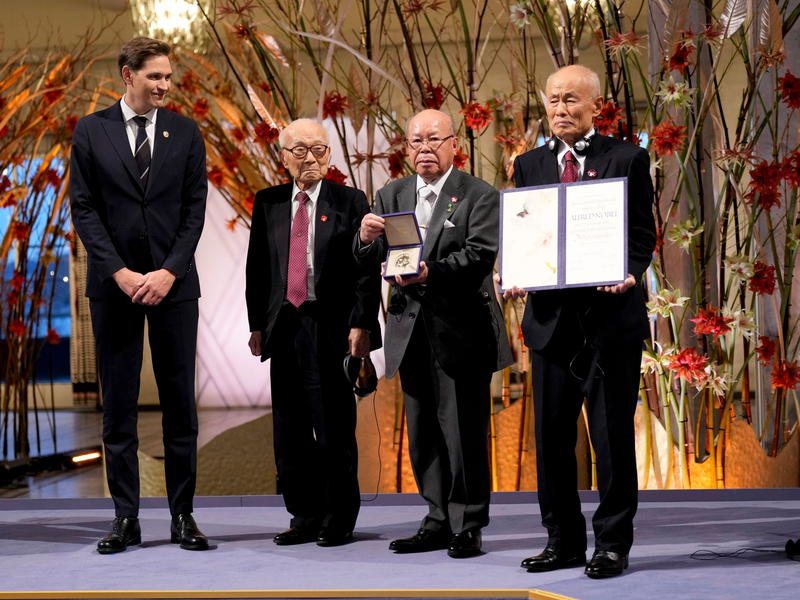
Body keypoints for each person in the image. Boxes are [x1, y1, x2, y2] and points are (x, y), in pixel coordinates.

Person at [498, 64, 656, 578]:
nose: (561, 108)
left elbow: (641, 235)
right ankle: (562, 540)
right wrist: (512, 271)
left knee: (610, 439)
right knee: (551, 440)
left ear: (595, 106)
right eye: (554, 99)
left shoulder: (627, 158)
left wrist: (630, 273)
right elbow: (525, 233)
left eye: (571, 99)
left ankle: (612, 543)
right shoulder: (528, 165)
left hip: (609, 323)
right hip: (549, 324)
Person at [70, 37, 209, 554]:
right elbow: (84, 209)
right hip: (115, 290)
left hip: (176, 287)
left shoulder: (186, 132)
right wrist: (120, 273)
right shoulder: (91, 130)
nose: (164, 85)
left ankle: (182, 515)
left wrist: (170, 271)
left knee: (180, 406)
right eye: (155, 76)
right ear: (127, 75)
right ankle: (125, 517)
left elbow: (195, 208)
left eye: (168, 76)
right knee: (119, 409)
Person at [356, 109, 512, 559]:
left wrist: (429, 273)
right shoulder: (391, 193)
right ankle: (437, 519)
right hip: (409, 331)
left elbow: (479, 256)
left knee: (463, 433)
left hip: (461, 330)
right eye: (416, 141)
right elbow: (369, 258)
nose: (425, 148)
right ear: (407, 148)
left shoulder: (479, 194)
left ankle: (468, 523)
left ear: (453, 144)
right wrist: (363, 238)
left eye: (434, 139)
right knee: (423, 432)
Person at [245, 118, 381, 547]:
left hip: (330, 327)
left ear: (329, 155)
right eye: (300, 150)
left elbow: (365, 270)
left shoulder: (349, 200)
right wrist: (255, 323)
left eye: (319, 149)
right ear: (283, 157)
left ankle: (338, 517)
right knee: (289, 430)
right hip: (283, 326)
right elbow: (257, 268)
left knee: (333, 427)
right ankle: (303, 515)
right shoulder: (267, 202)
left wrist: (361, 323)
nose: (310, 158)